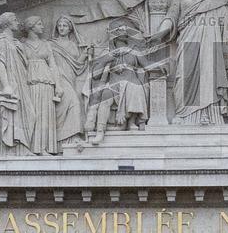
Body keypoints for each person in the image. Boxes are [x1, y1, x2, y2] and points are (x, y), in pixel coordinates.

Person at [156, 0, 228, 124]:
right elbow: (171, 16)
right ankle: (182, 113)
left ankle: (207, 114)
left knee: (208, 74)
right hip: (188, 39)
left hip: (210, 40)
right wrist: (161, 32)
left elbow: (227, 19)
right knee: (183, 74)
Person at [86, 22, 150, 144]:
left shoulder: (133, 50)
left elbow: (146, 64)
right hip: (114, 83)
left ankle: (131, 122)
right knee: (105, 96)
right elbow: (96, 75)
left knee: (135, 88)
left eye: (125, 28)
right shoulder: (108, 52)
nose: (123, 31)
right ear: (114, 33)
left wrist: (160, 67)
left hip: (131, 81)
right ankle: (100, 131)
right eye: (120, 29)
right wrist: (107, 59)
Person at [0, 12, 35, 158]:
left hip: (21, 82)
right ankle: (10, 149)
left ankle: (22, 146)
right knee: (11, 113)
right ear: (7, 23)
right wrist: (6, 85)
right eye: (14, 19)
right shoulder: (0, 40)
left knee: (28, 113)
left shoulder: (15, 42)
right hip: (10, 82)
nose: (18, 22)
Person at [23, 16, 62, 155]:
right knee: (33, 115)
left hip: (46, 82)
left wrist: (58, 86)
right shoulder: (22, 44)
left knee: (46, 115)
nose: (43, 26)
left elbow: (53, 66)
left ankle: (44, 148)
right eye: (39, 24)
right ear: (31, 27)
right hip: (30, 83)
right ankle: (32, 148)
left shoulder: (46, 44)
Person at [50, 15, 88, 146]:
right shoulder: (51, 44)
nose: (61, 28)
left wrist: (86, 54)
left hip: (70, 77)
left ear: (70, 29)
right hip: (57, 78)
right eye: (59, 25)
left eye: (64, 26)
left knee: (71, 104)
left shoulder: (73, 45)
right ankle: (69, 137)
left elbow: (77, 65)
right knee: (73, 103)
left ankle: (68, 139)